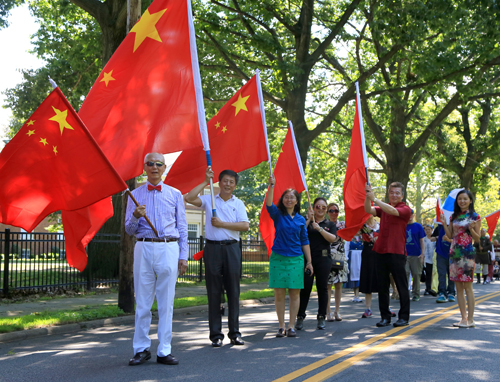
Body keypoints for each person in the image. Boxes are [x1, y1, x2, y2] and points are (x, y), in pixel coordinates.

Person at [125, 153, 188, 366]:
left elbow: (182, 228)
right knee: (142, 302)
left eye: (158, 164)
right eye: (150, 163)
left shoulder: (175, 194)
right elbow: (128, 229)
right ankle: (141, 349)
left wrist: (183, 255)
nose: (154, 167)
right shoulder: (134, 195)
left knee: (166, 303)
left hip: (168, 247)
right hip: (143, 246)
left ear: (164, 167)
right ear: (144, 167)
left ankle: (164, 350)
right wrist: (135, 216)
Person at [185, 167, 249, 347]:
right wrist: (205, 181)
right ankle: (216, 335)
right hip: (212, 249)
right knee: (214, 292)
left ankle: (235, 333)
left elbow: (244, 226)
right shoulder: (209, 199)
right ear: (219, 183)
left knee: (233, 292)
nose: (228, 184)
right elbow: (189, 198)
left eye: (231, 182)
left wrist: (222, 224)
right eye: (225, 181)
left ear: (235, 185)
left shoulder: (238, 204)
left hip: (232, 249)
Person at [266, 175, 313, 337]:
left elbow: (304, 241)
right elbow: (268, 204)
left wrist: (309, 262)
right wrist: (271, 186)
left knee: (295, 294)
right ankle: (281, 326)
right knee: (279, 294)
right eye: (286, 197)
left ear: (296, 201)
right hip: (278, 259)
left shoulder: (301, 219)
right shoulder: (278, 215)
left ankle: (291, 326)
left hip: (296, 260)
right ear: (283, 200)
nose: (289, 199)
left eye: (292, 197)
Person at [364, 182, 412, 328]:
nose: (394, 195)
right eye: (392, 192)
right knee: (382, 286)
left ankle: (403, 317)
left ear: (402, 195)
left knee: (401, 285)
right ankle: (385, 317)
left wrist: (376, 199)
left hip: (397, 252)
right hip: (380, 251)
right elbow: (368, 209)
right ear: (388, 194)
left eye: (397, 193)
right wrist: (368, 196)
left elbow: (393, 211)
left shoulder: (405, 209)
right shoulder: (383, 208)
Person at [440, 189, 481, 328]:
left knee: (468, 286)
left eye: (465, 199)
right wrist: (444, 223)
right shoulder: (454, 216)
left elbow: (478, 239)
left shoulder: (475, 216)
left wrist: (472, 229)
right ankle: (463, 318)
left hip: (467, 253)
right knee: (458, 287)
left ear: (470, 200)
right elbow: (451, 235)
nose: (462, 201)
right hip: (454, 252)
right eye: (460, 199)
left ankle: (471, 319)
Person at [296, 198, 337, 330]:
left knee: (322, 288)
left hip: (323, 259)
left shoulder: (329, 224)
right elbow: (298, 233)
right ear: (313, 207)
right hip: (308, 259)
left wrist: (319, 229)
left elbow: (332, 238)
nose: (320, 209)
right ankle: (300, 316)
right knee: (305, 288)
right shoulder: (306, 221)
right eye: (318, 206)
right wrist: (308, 219)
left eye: (324, 207)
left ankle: (321, 317)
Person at [326, 203, 348, 322]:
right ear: (327, 212)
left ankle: (337, 311)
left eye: (336, 211)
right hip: (328, 257)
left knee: (339, 285)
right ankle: (328, 311)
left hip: (340, 257)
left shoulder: (343, 224)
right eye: (331, 211)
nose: (334, 213)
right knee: (328, 285)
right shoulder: (324, 224)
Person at [359, 216, 379, 318]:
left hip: (379, 252)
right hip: (367, 252)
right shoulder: (362, 226)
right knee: (368, 279)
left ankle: (386, 306)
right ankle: (368, 308)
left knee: (381, 279)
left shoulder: (380, 224)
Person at [405, 210, 425, 302]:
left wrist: (423, 253)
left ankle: (416, 294)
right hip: (404, 254)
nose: (409, 216)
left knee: (416, 274)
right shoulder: (402, 225)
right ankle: (404, 293)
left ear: (413, 215)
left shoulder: (418, 226)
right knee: (405, 273)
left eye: (410, 214)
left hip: (416, 254)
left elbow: (421, 240)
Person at [432, 224, 455, 302]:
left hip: (452, 253)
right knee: (441, 274)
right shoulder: (440, 226)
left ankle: (451, 293)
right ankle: (442, 293)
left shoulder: (455, 226)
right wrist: (435, 237)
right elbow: (431, 237)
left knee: (451, 274)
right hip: (441, 253)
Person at [345, 233, 363, 302]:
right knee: (354, 274)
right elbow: (346, 249)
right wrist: (346, 258)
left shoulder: (363, 237)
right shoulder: (349, 238)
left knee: (360, 274)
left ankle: (357, 294)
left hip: (361, 257)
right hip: (353, 257)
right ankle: (356, 295)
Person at [423, 225, 437, 296]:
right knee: (428, 274)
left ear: (432, 230)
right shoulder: (424, 239)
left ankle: (435, 288)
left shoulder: (435, 239)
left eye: (429, 229)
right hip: (427, 259)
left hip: (435, 259)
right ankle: (428, 289)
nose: (427, 231)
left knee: (435, 274)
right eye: (426, 229)